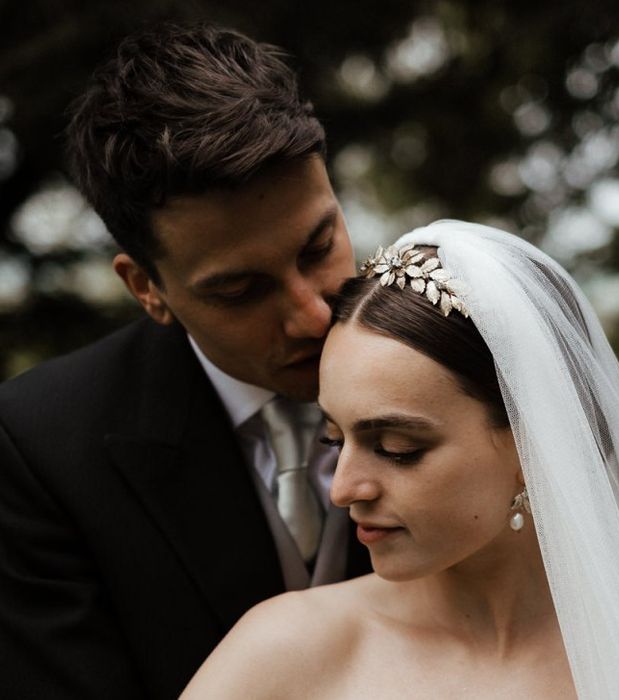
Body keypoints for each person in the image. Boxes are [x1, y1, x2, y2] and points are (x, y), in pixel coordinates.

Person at [182, 220, 619, 699]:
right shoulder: (285, 655)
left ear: (533, 448)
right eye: (335, 440)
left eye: (396, 448)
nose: (344, 489)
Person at [0, 22, 370, 699]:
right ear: (147, 289)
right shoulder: (40, 448)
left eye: (318, 248)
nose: (313, 314)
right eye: (240, 289)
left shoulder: (468, 369)